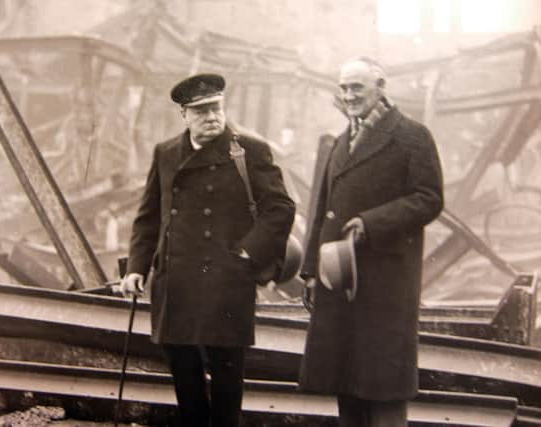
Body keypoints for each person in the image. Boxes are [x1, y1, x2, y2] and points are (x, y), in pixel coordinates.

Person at [120, 73, 295, 427]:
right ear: (184, 115)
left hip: (226, 279)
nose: (211, 117)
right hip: (177, 280)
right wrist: (136, 268)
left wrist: (248, 252)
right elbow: (149, 215)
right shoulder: (166, 152)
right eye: (200, 111)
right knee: (184, 371)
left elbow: (280, 207)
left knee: (227, 375)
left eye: (216, 108)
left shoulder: (248, 149)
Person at [298, 57, 444, 426]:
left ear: (381, 86)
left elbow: (429, 198)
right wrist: (312, 272)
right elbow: (323, 209)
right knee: (345, 383)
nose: (348, 95)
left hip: (385, 284)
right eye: (344, 88)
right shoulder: (342, 140)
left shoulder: (412, 136)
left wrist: (372, 222)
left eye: (356, 87)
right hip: (340, 279)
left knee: (383, 389)